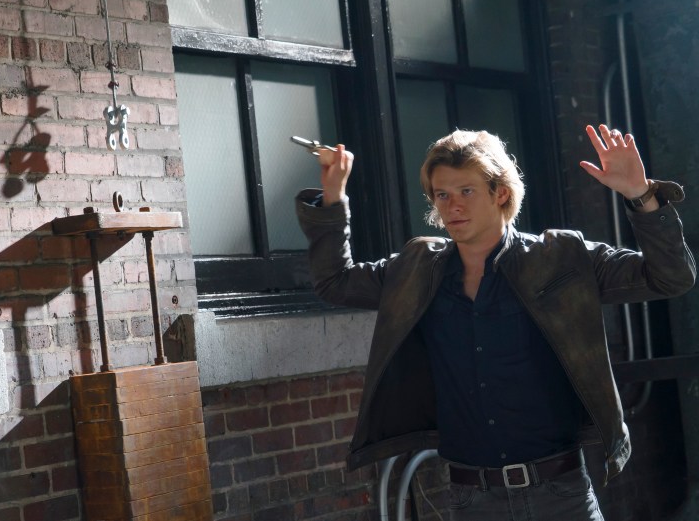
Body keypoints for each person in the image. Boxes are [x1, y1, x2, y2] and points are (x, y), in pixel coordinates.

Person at [295, 125, 695, 520]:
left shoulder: (561, 256)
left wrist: (640, 195)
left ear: (500, 192)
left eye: (466, 191)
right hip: (472, 501)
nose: (452, 206)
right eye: (442, 194)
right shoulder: (416, 269)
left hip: (562, 495)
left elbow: (671, 277)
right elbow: (335, 282)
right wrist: (334, 196)